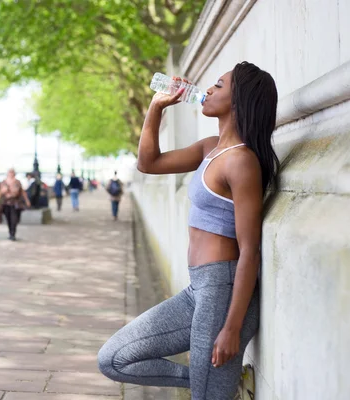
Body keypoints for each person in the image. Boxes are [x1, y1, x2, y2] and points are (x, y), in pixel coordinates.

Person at [98, 62, 279, 400]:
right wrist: (157, 106)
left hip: (222, 293)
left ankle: (214, 385)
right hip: (197, 289)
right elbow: (148, 163)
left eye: (219, 86)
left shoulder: (241, 162)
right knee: (114, 358)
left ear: (241, 101)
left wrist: (232, 328)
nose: (207, 90)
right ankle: (219, 382)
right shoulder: (211, 148)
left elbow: (249, 250)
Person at [0, 168, 30, 241]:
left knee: (14, 219)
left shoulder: (17, 182)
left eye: (12, 172)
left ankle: (13, 233)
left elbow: (22, 192)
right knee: (8, 218)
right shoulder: (3, 182)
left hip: (15, 203)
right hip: (6, 203)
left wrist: (27, 200)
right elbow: (0, 193)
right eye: (10, 172)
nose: (11, 173)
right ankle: (10, 232)